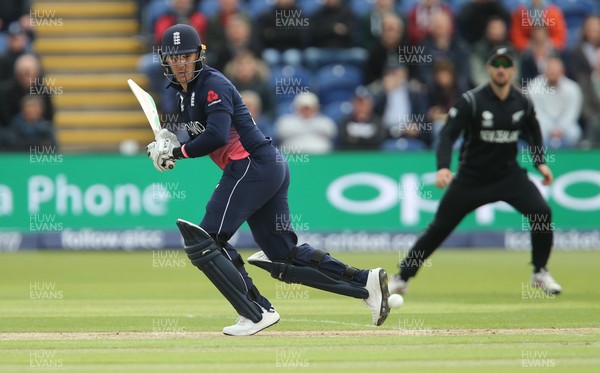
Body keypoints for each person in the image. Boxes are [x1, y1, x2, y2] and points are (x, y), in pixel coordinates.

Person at [146, 24, 390, 336]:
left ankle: (256, 310)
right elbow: (197, 134)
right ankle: (366, 283)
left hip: (251, 165)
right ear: (165, 60)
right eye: (174, 58)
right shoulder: (181, 96)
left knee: (205, 241)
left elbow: (217, 135)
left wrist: (177, 153)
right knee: (284, 255)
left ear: (199, 56)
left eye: (186, 56)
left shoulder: (213, 85)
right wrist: (167, 142)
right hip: (264, 167)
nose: (180, 64)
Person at [388, 47, 562, 296]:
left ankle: (540, 272)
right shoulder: (472, 100)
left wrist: (540, 162)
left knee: (542, 213)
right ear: (489, 69)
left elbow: (533, 130)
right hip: (472, 178)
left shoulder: (522, 101)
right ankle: (402, 277)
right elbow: (447, 135)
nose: (501, 69)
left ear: (513, 70)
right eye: (496, 65)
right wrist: (444, 168)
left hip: (508, 175)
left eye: (506, 65)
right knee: (439, 229)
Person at [526, 56, 583, 148]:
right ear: (545, 71)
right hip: (543, 123)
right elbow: (536, 111)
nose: (552, 74)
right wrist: (550, 128)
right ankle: (542, 158)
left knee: (575, 133)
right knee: (537, 132)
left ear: (562, 72)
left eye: (555, 71)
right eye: (550, 70)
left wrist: (560, 128)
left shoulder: (573, 88)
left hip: (565, 124)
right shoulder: (534, 86)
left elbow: (572, 113)